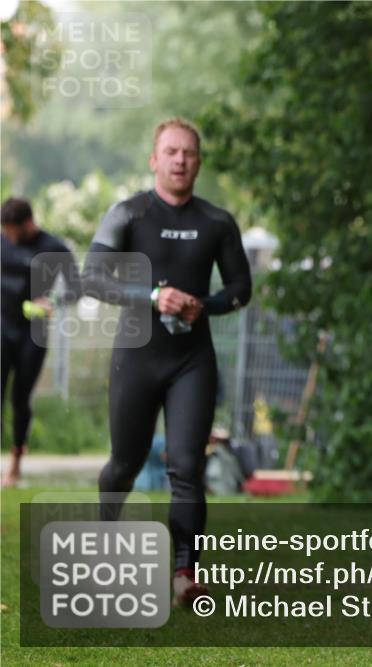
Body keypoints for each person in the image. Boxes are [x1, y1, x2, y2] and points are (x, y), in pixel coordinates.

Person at [83, 118, 252, 606]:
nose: (180, 160)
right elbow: (92, 278)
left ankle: (184, 572)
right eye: (171, 152)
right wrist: (152, 294)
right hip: (137, 357)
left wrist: (207, 305)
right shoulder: (129, 214)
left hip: (191, 361)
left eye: (189, 153)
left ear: (198, 162)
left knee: (186, 467)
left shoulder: (216, 221)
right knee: (124, 465)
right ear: (154, 159)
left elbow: (240, 289)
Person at [1, 197, 82, 487]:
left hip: (32, 334)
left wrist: (54, 300)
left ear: (27, 224)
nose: (8, 236)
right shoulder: (1, 240)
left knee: (20, 399)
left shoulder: (54, 249)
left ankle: (15, 465)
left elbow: (76, 289)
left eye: (12, 230)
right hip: (2, 328)